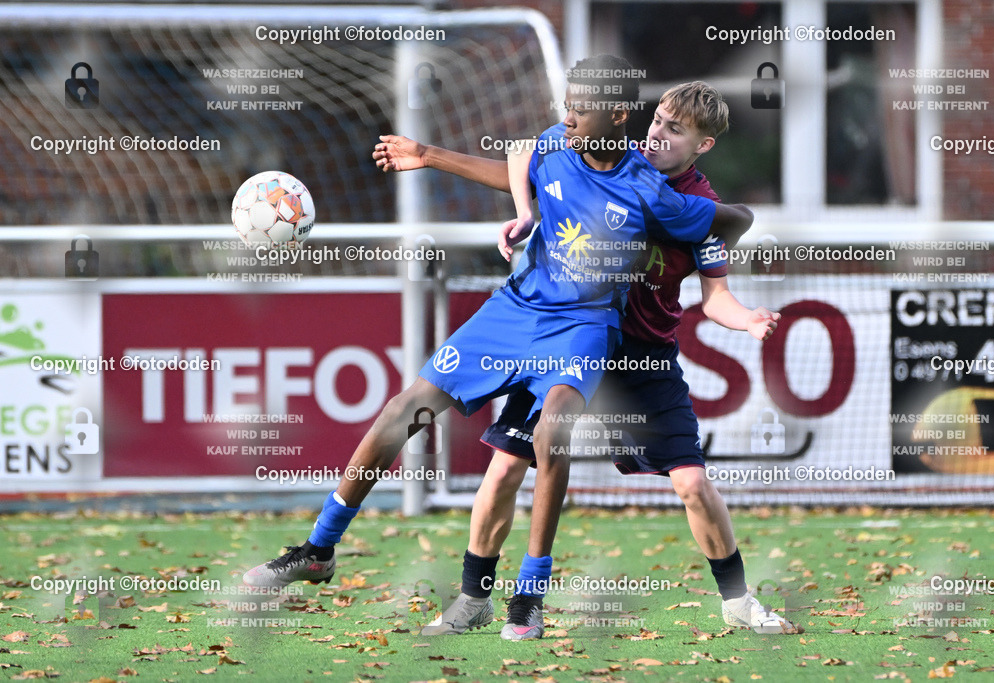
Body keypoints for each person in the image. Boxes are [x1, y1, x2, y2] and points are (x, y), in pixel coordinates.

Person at [242, 57, 756, 644]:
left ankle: (530, 594)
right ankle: (318, 549)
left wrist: (731, 221)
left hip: (583, 327)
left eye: (578, 109)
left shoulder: (648, 188)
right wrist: (450, 167)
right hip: (514, 312)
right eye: (566, 106)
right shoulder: (557, 141)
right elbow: (521, 158)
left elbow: (730, 221)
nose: (566, 117)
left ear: (616, 114)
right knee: (401, 412)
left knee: (552, 435)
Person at [374, 81, 796, 638]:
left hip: (641, 359)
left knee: (692, 484)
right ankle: (473, 600)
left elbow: (716, 297)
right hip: (566, 337)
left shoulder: (700, 211)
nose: (657, 132)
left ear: (703, 145)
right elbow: (523, 157)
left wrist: (749, 320)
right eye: (658, 119)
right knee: (504, 469)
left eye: (675, 129)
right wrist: (461, 174)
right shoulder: (605, 152)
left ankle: (738, 601)